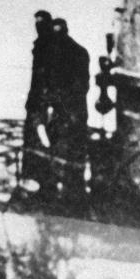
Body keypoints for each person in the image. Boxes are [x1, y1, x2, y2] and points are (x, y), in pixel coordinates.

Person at [23, 10, 62, 194]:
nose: (37, 27)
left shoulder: (50, 46)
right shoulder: (42, 45)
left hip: (44, 101)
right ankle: (36, 181)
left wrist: (49, 101)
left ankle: (45, 183)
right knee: (33, 140)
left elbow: (51, 77)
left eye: (40, 23)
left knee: (42, 141)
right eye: (36, 23)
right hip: (36, 99)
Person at [52, 17, 91, 201]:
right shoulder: (80, 52)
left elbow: (79, 86)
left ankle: (68, 192)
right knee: (74, 152)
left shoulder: (64, 53)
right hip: (74, 111)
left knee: (66, 150)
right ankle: (74, 191)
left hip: (69, 110)